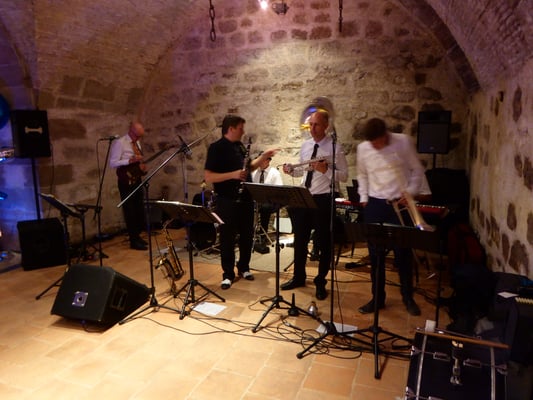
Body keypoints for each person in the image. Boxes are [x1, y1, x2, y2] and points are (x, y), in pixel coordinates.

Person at [356, 117, 425, 316]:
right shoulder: (363, 148)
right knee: (375, 255)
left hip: (399, 204)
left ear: (385, 135)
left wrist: (410, 192)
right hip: (375, 204)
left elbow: (417, 170)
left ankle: (407, 297)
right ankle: (377, 298)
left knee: (403, 254)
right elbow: (362, 174)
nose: (376, 147)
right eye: (373, 144)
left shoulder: (403, 141)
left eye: (378, 142)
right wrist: (363, 197)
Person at [281, 110, 348, 300]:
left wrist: (325, 170)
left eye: (316, 124)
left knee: (324, 242)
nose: (312, 128)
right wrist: (290, 170)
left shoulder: (335, 147)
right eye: (310, 124)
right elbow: (303, 171)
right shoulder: (306, 145)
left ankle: (320, 281)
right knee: (300, 240)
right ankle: (298, 277)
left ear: (326, 125)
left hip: (324, 198)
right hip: (304, 197)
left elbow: (344, 176)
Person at [204, 115, 277, 290]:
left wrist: (263, 157)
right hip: (226, 199)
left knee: (247, 235)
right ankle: (228, 273)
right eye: (240, 128)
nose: (243, 131)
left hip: (246, 199)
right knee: (227, 237)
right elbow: (209, 177)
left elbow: (248, 168)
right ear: (231, 128)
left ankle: (244, 267)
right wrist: (234, 175)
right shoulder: (216, 148)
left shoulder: (240, 146)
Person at [109, 121, 148, 250]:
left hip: (136, 178)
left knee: (138, 209)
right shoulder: (120, 143)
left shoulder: (137, 142)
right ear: (131, 131)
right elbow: (113, 163)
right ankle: (133, 240)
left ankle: (137, 236)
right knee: (129, 210)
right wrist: (129, 160)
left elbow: (138, 158)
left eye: (140, 137)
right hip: (125, 181)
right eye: (137, 136)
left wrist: (141, 166)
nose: (138, 139)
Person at [250, 153, 283, 254]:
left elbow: (278, 191)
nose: (259, 161)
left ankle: (262, 236)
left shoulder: (274, 173)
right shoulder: (254, 173)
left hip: (271, 201)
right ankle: (248, 234)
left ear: (268, 160)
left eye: (262, 159)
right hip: (257, 200)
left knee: (265, 208)